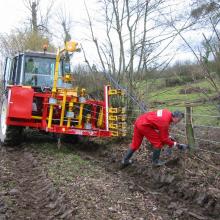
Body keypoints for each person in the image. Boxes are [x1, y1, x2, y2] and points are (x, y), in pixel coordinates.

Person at [122, 109, 188, 167]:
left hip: (139, 121)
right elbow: (164, 139)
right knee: (158, 142)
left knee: (135, 144)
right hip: (144, 126)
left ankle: (125, 160)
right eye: (179, 120)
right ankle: (155, 162)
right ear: (175, 117)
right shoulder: (165, 122)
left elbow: (162, 129)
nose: (179, 121)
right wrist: (176, 144)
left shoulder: (166, 112)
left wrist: (169, 138)